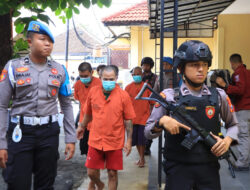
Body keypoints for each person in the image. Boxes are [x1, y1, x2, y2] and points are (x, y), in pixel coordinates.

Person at [145, 40, 238, 190]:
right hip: (178, 170)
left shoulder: (219, 95)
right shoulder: (168, 97)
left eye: (205, 65)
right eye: (194, 65)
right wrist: (161, 122)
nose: (201, 69)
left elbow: (233, 125)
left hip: (209, 169)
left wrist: (227, 141)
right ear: (181, 68)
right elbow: (148, 132)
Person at [0, 21, 76, 189]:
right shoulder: (14, 67)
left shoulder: (60, 70)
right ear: (29, 42)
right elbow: (2, 106)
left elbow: (67, 105)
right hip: (20, 133)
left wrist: (71, 138)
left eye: (50, 40)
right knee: (18, 183)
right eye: (42, 39)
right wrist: (1, 143)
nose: (48, 44)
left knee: (46, 182)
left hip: (49, 133)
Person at [76, 65, 136, 190]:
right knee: (91, 173)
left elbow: (128, 120)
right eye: (105, 79)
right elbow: (88, 113)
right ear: (100, 77)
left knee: (112, 173)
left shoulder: (123, 95)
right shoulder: (93, 92)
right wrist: (82, 126)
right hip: (95, 139)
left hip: (114, 141)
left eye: (111, 79)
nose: (108, 82)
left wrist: (129, 140)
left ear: (116, 78)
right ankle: (99, 184)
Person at [215, 53, 250, 171]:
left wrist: (224, 85)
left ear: (233, 63)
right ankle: (245, 160)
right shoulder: (248, 73)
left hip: (243, 108)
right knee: (247, 135)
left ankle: (243, 163)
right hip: (247, 108)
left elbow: (240, 90)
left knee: (243, 135)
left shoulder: (239, 73)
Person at [125, 67, 153, 168]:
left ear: (142, 75)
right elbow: (125, 104)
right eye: (135, 74)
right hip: (132, 119)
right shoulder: (128, 88)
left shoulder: (147, 86)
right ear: (132, 75)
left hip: (143, 118)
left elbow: (152, 102)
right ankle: (141, 158)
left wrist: (152, 117)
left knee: (142, 141)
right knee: (136, 141)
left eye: (139, 74)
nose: (137, 76)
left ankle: (142, 159)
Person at [74, 62, 102, 155]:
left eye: (86, 75)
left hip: (97, 123)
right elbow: (80, 103)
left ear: (92, 72)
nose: (83, 78)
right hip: (84, 123)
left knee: (98, 149)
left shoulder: (99, 84)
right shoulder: (78, 84)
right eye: (81, 76)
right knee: (86, 149)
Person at [141, 56, 158, 155]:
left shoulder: (155, 77)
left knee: (150, 126)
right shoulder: (140, 76)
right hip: (141, 104)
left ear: (150, 66)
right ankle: (142, 146)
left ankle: (148, 146)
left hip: (151, 103)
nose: (145, 67)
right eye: (143, 65)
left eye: (147, 65)